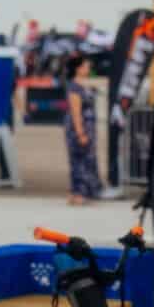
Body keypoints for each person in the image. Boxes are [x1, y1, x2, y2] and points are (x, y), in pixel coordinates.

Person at [64, 54, 102, 204]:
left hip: (88, 128)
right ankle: (79, 192)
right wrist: (80, 132)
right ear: (78, 69)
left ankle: (87, 190)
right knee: (79, 160)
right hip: (79, 128)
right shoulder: (75, 87)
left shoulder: (85, 85)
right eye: (85, 66)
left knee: (88, 159)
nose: (88, 68)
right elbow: (75, 111)